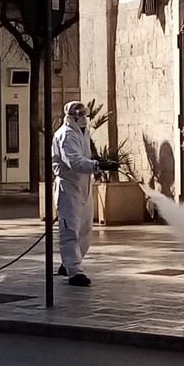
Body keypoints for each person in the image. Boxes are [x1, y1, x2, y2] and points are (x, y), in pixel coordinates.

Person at [51, 101, 118, 287]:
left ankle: (69, 262)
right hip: (68, 187)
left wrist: (99, 161)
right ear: (71, 116)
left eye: (84, 113)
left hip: (84, 186)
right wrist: (98, 166)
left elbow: (86, 156)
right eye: (79, 114)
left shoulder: (83, 133)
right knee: (69, 229)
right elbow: (75, 162)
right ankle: (74, 272)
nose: (83, 117)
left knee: (85, 229)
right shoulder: (65, 135)